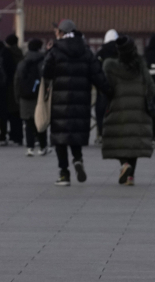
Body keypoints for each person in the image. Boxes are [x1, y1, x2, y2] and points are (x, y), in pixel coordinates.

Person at [43, 19, 112, 186]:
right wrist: (109, 92)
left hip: (60, 101)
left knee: (60, 137)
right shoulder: (86, 51)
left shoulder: (55, 50)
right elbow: (98, 76)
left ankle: (64, 174)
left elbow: (46, 72)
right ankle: (78, 159)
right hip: (81, 101)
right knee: (75, 134)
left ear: (61, 32)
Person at [101, 35, 155, 185]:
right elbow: (151, 87)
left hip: (118, 107)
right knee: (133, 142)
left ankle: (124, 165)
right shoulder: (140, 66)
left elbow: (107, 87)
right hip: (138, 109)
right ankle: (130, 177)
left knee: (120, 140)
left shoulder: (110, 67)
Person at [15, 38, 49, 156]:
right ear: (39, 48)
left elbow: (17, 80)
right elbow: (47, 79)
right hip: (39, 96)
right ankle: (43, 146)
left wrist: (17, 96)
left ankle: (30, 147)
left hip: (24, 96)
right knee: (40, 121)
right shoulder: (43, 61)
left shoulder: (22, 62)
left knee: (28, 122)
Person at [93, 29, 119, 140]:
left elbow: (95, 70)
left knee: (101, 111)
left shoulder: (100, 53)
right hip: (119, 87)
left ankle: (102, 133)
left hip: (103, 88)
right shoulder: (121, 52)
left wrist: (99, 84)